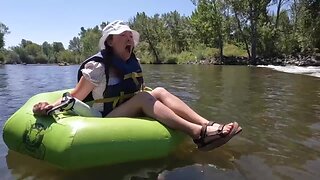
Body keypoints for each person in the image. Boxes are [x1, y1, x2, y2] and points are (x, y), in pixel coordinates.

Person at [33, 20, 242, 151]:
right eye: (123, 35)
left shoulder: (134, 62)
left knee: (158, 91)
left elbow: (138, 89)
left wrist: (152, 99)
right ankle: (198, 134)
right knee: (144, 98)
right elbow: (76, 95)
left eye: (130, 35)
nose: (129, 38)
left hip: (126, 109)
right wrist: (48, 105)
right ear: (110, 42)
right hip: (105, 118)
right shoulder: (97, 66)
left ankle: (207, 124)